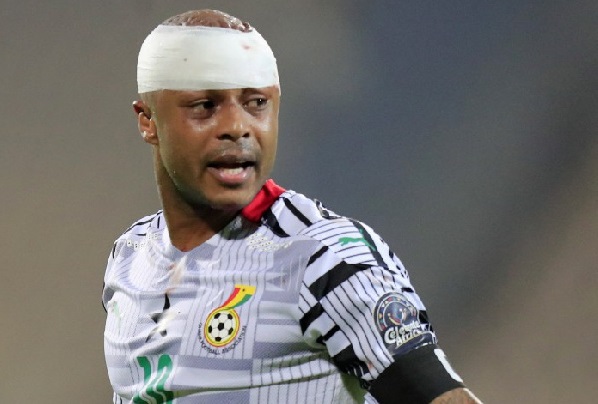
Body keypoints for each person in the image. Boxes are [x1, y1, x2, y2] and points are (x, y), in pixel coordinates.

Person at [102, 9, 482, 404]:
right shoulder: (129, 257)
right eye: (205, 105)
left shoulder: (325, 259)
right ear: (147, 121)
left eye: (256, 103)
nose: (237, 127)